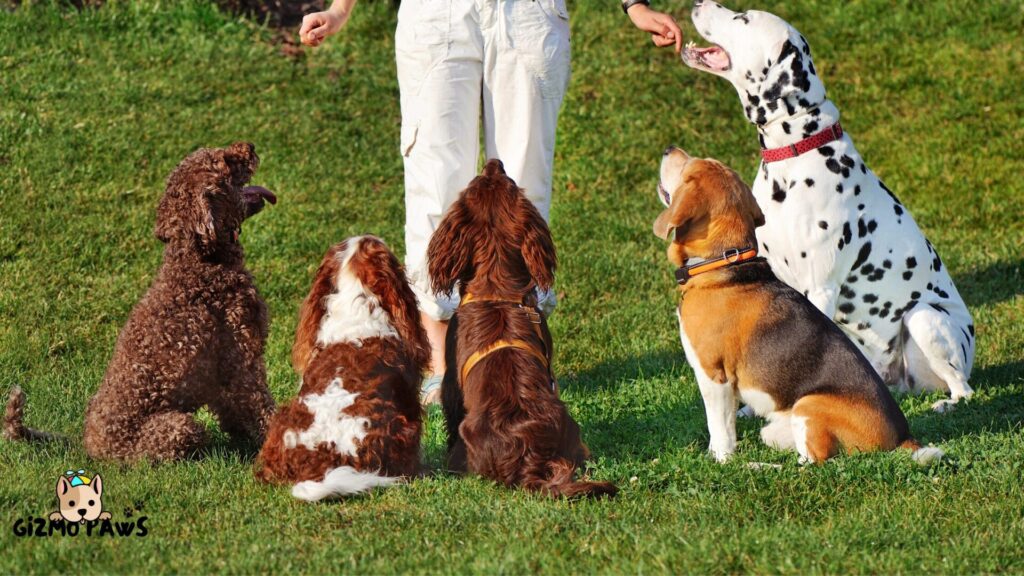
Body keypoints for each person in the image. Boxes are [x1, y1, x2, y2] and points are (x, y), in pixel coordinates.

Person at [300, 0, 682, 403]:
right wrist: (340, 9)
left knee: (523, 191)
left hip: (528, 14)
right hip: (436, 14)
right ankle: (440, 366)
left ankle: (526, 351)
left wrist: (634, 5)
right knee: (435, 182)